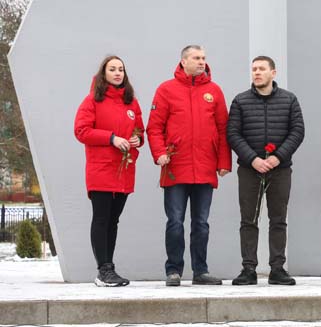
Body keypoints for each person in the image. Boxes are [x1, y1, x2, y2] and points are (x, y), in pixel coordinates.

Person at [148, 45, 231, 286]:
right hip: (176, 167)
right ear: (183, 61)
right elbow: (154, 127)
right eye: (196, 58)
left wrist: (224, 161)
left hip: (205, 168)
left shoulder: (214, 91)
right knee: (175, 221)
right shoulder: (166, 90)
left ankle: (200, 272)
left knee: (201, 223)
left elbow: (223, 128)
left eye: (204, 58)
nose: (201, 61)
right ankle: (173, 270)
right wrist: (160, 153)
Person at [227, 56, 305, 286]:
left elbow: (297, 131)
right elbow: (233, 134)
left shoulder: (289, 100)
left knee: (278, 219)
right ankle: (248, 269)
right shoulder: (240, 101)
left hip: (280, 170)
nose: (257, 73)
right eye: (254, 69)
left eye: (262, 69)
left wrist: (277, 157)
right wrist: (253, 159)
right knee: (248, 220)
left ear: (273, 72)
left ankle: (277, 269)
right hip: (249, 170)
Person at [74, 55, 144, 287]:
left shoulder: (131, 102)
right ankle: (103, 269)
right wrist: (111, 138)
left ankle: (109, 268)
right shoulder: (92, 100)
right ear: (103, 73)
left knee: (113, 220)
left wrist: (136, 139)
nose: (117, 73)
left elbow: (140, 131)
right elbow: (81, 131)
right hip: (101, 169)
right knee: (102, 219)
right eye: (112, 69)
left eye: (121, 69)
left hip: (123, 171)